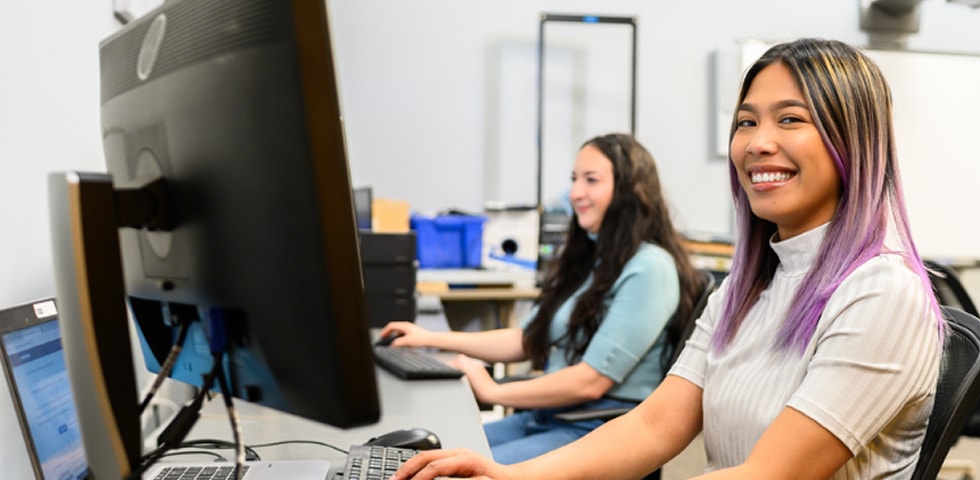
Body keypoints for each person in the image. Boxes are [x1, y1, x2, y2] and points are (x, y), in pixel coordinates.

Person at [390, 37, 944, 480]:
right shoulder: (744, 288)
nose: (756, 143)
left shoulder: (882, 293)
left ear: (855, 141)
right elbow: (656, 425)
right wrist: (513, 477)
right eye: (747, 122)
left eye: (790, 119)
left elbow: (766, 475)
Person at [379, 132, 701, 464]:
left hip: (596, 428)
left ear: (630, 190)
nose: (575, 193)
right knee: (416, 457)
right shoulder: (594, 260)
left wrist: (493, 391)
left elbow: (590, 381)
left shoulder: (650, 268)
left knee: (450, 470)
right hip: (551, 416)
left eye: (591, 180)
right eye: (574, 180)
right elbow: (526, 339)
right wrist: (432, 339)